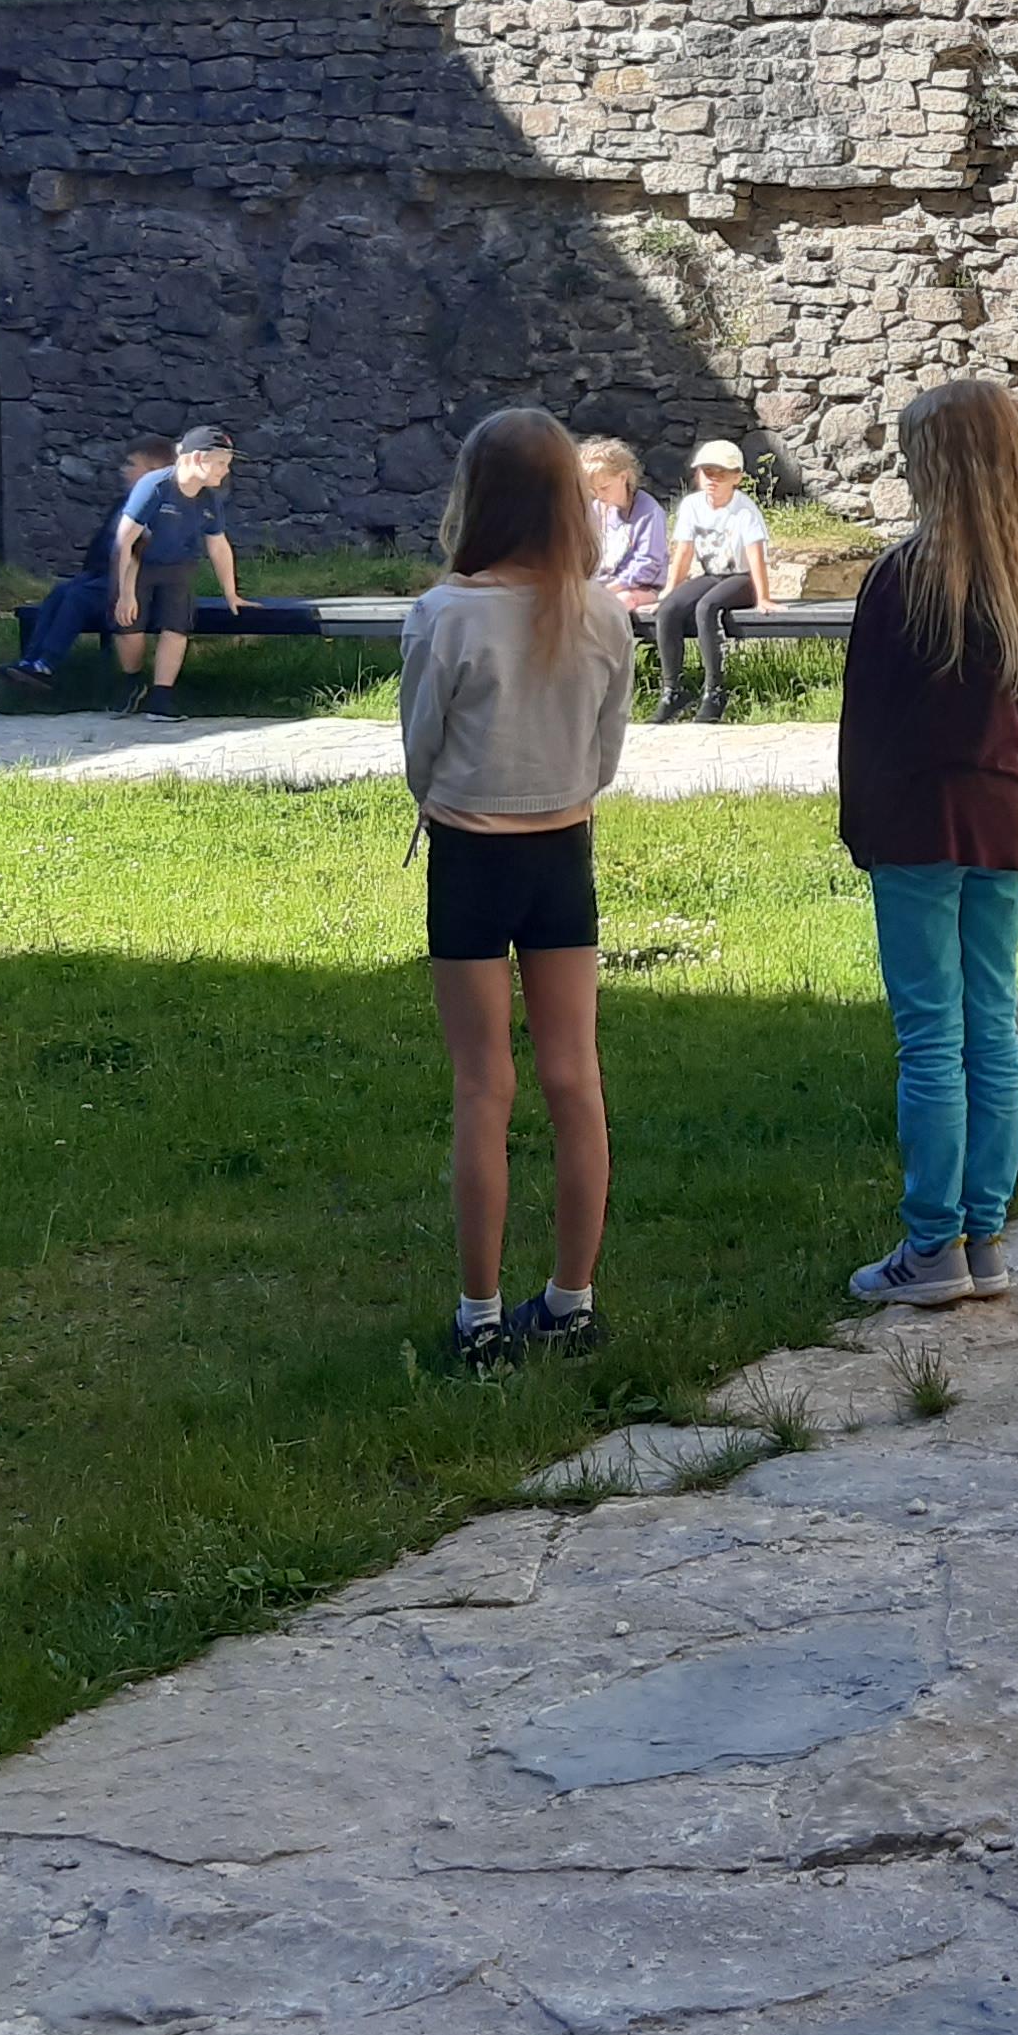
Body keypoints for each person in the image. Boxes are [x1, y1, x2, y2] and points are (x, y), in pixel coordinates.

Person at [396, 408, 631, 1374]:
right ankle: (572, 1302)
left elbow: (420, 749)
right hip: (563, 851)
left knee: (482, 1084)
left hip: (468, 855)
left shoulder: (445, 613)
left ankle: (480, 1315)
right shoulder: (604, 613)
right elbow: (606, 755)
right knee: (575, 1076)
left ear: (476, 496)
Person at [837, 377, 1018, 1306]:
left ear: (937, 468)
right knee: (992, 1027)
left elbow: (867, 721)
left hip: (914, 824)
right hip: (1000, 821)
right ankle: (985, 1237)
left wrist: (858, 826)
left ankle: (931, 1246)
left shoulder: (903, 577)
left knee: (931, 1034)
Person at [7, 437, 170, 689]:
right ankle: (31, 660)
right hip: (105, 576)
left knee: (79, 597)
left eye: (131, 464)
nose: (123, 470)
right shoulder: (125, 503)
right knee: (62, 592)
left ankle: (47, 664)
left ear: (153, 472)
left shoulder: (161, 509)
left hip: (140, 585)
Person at [111, 426, 244, 722]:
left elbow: (218, 545)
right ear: (196, 459)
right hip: (138, 563)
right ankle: (132, 683)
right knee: (129, 627)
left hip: (179, 565)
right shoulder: (155, 486)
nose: (225, 471)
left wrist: (231, 592)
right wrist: (126, 593)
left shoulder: (209, 499)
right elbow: (127, 540)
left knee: (176, 628)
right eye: (220, 463)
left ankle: (161, 698)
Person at [653, 436, 774, 722]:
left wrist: (763, 596)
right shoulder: (692, 505)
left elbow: (755, 554)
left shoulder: (743, 508)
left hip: (741, 578)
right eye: (707, 472)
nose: (713, 480)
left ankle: (715, 691)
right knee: (669, 610)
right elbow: (684, 551)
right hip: (712, 574)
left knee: (707, 607)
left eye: (721, 473)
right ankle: (672, 690)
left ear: (736, 478)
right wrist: (670, 588)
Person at [580, 436, 671, 618]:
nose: (599, 495)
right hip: (600, 584)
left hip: (640, 587)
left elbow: (647, 564)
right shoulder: (597, 509)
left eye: (604, 488)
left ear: (623, 477)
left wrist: (611, 588)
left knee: (616, 603)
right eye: (593, 490)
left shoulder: (649, 512)